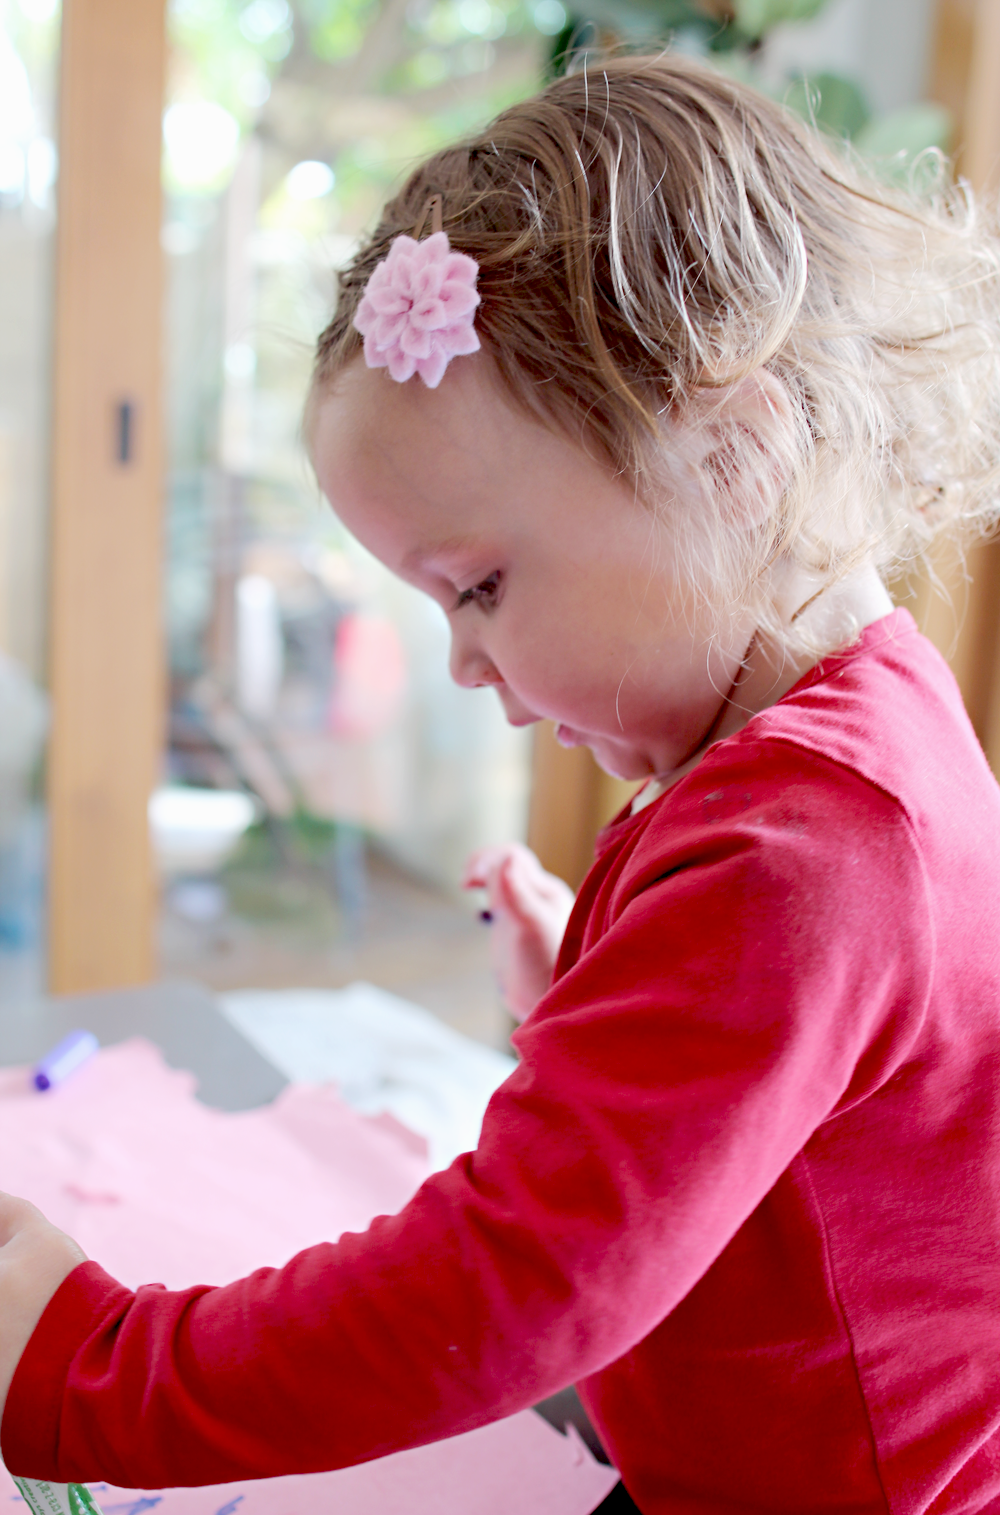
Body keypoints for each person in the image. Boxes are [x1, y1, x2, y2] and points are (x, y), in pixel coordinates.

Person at [3, 53, 1000, 1515]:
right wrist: (599, 1000)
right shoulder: (864, 715)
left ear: (734, 454)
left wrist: (91, 1363)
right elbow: (837, 1113)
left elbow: (497, 1289)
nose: (466, 663)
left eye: (477, 586)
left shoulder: (801, 852)